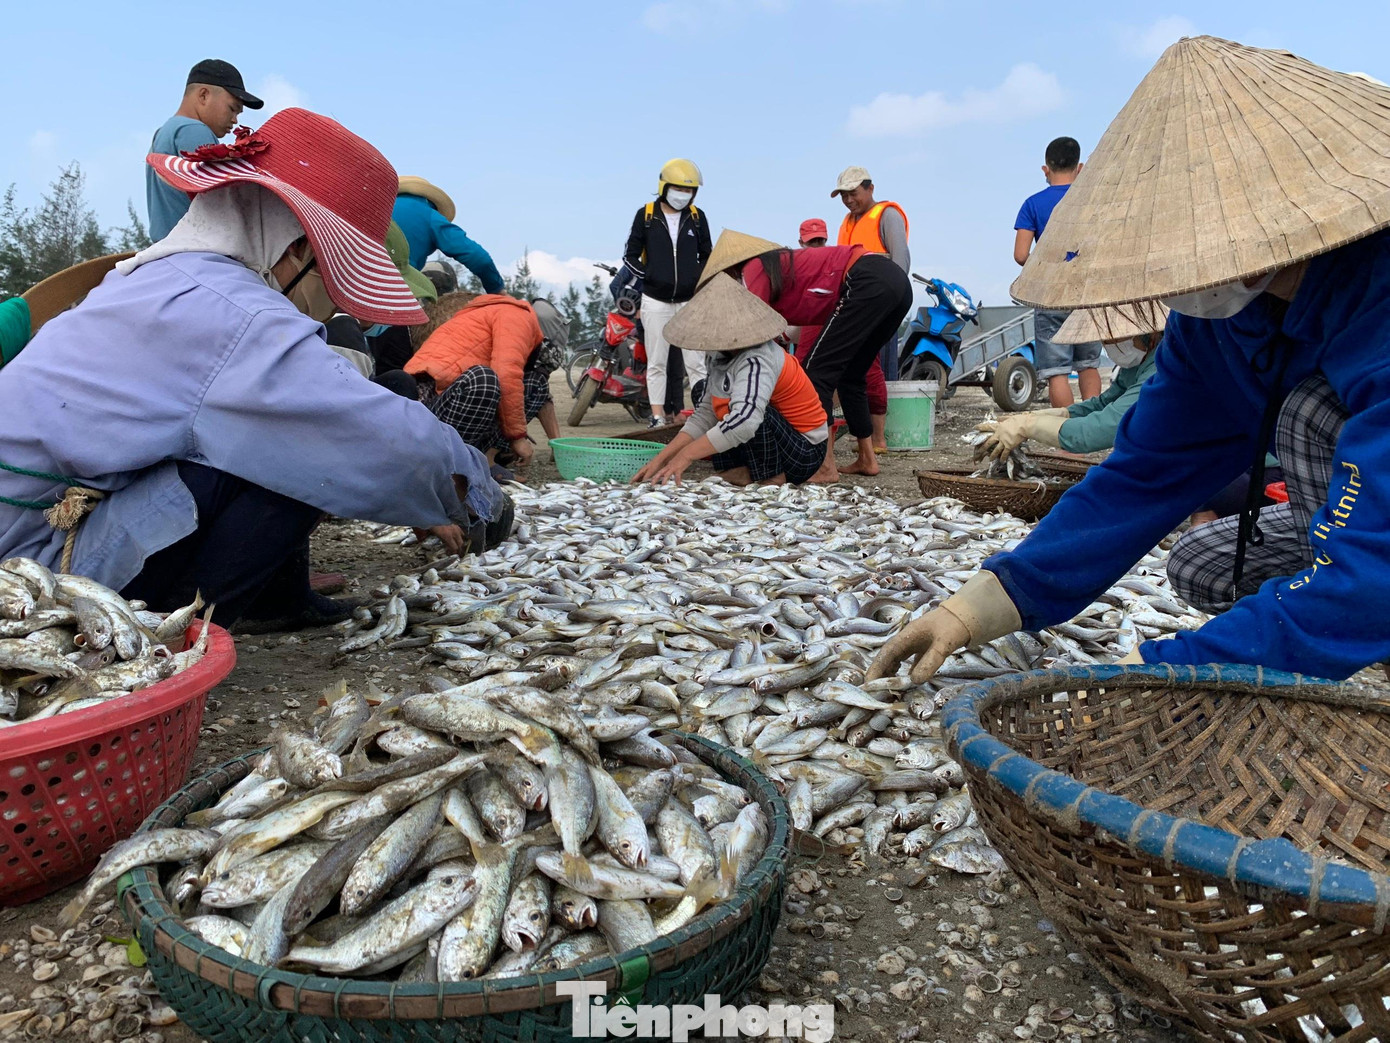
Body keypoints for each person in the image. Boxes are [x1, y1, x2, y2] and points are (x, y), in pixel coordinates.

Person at [869, 36, 1390, 685]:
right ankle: (1336, 627)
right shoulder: (1218, 323)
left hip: (1379, 536)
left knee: (1310, 420)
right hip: (1358, 530)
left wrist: (1158, 672)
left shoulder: (1377, 294)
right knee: (1203, 560)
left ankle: (1346, 630)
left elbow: (1377, 562)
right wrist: (977, 606)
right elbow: (1140, 477)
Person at [0, 107, 508, 632]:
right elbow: (376, 434)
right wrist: (480, 495)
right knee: (305, 440)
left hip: (26, 537)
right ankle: (178, 627)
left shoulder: (157, 277)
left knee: (262, 437)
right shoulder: (236, 312)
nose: (332, 301)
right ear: (298, 248)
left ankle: (277, 599)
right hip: (35, 576)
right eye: (333, 277)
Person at [699, 230, 913, 483]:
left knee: (817, 375)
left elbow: (750, 329)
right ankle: (867, 459)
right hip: (895, 283)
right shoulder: (781, 266)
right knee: (852, 376)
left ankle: (824, 467)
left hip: (865, 278)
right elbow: (784, 329)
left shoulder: (753, 268)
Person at [632, 274, 828, 487]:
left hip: (804, 451)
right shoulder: (720, 353)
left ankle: (771, 476)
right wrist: (664, 457)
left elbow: (745, 422)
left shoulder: (757, 358)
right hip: (777, 438)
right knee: (704, 394)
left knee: (749, 413)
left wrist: (687, 456)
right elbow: (705, 414)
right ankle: (737, 469)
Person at [405, 291, 566, 473]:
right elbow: (506, 374)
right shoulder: (518, 316)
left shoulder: (493, 311)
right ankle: (455, 470)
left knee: (535, 383)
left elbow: (528, 386)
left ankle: (487, 458)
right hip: (428, 406)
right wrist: (517, 437)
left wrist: (557, 447)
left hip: (445, 402)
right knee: (484, 379)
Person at [978, 304, 1166, 458]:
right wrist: (1043, 416)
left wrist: (1029, 427)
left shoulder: (1162, 369)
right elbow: (1103, 404)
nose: (1107, 345)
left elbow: (1103, 427)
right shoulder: (1140, 362)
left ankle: (1071, 452)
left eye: (1113, 337)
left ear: (1150, 335)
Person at [1013, 137, 1103, 408]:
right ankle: (1092, 430)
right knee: (1088, 365)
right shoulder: (1093, 202)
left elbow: (1020, 255)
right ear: (1081, 167)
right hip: (1086, 293)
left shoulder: (1032, 204)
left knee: (1057, 372)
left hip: (1051, 294)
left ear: (1045, 169)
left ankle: (1068, 443)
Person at [622, 159, 713, 428]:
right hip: (654, 300)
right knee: (657, 362)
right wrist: (650, 275)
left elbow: (707, 255)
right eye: (679, 189)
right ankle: (658, 416)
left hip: (688, 302)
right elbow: (630, 256)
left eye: (690, 190)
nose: (684, 195)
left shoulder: (697, 217)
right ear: (665, 186)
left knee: (696, 363)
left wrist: (696, 278)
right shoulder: (646, 215)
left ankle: (702, 415)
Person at [797, 217, 889, 452]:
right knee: (813, 369)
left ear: (826, 240)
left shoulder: (836, 258)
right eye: (811, 241)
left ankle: (870, 442)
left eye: (820, 240)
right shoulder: (806, 264)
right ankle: (859, 450)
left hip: (844, 313)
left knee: (865, 371)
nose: (816, 245)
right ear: (801, 242)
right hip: (823, 315)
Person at [147, 60, 264, 241]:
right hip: (194, 253)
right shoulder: (193, 130)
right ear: (203, 96)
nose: (234, 120)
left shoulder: (164, 132)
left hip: (166, 252)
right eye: (232, 109)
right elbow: (221, 203)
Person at [833, 166, 907, 447]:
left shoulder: (887, 216)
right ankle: (863, 434)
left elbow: (901, 261)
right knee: (855, 369)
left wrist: (892, 305)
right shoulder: (847, 222)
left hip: (880, 304)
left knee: (875, 370)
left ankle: (879, 437)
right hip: (854, 305)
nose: (849, 200)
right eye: (843, 196)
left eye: (853, 193)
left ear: (870, 189)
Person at [393, 177, 504, 294]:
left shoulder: (379, 208)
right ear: (429, 201)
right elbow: (479, 258)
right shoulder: (430, 216)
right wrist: (496, 288)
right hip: (396, 285)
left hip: (373, 278)